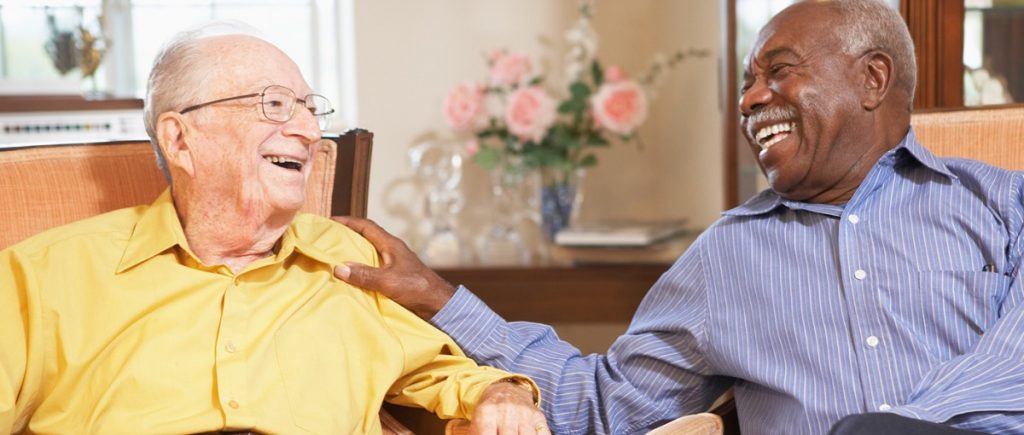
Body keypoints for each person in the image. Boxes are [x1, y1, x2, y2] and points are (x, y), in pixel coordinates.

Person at [331, 1, 1024, 434]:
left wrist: (903, 429)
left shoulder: (1004, 203)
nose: (752, 100)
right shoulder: (728, 257)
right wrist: (440, 298)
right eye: (747, 82)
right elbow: (603, 404)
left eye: (777, 71)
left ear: (873, 80)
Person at [0, 26, 549, 434]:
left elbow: (446, 374)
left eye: (311, 109)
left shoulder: (349, 260)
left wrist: (502, 393)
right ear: (182, 139)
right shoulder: (42, 275)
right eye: (275, 105)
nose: (311, 131)